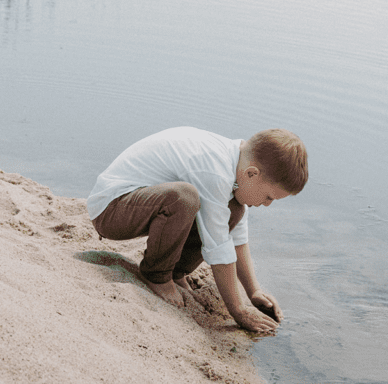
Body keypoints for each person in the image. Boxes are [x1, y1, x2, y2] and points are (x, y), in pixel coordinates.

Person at [86, 126, 308, 333]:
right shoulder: (215, 171)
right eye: (269, 197)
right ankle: (156, 274)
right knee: (184, 198)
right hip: (111, 209)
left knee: (234, 211)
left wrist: (254, 292)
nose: (267, 205)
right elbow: (219, 247)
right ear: (252, 174)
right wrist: (238, 310)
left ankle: (175, 271)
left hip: (141, 203)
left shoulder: (236, 165)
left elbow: (237, 237)